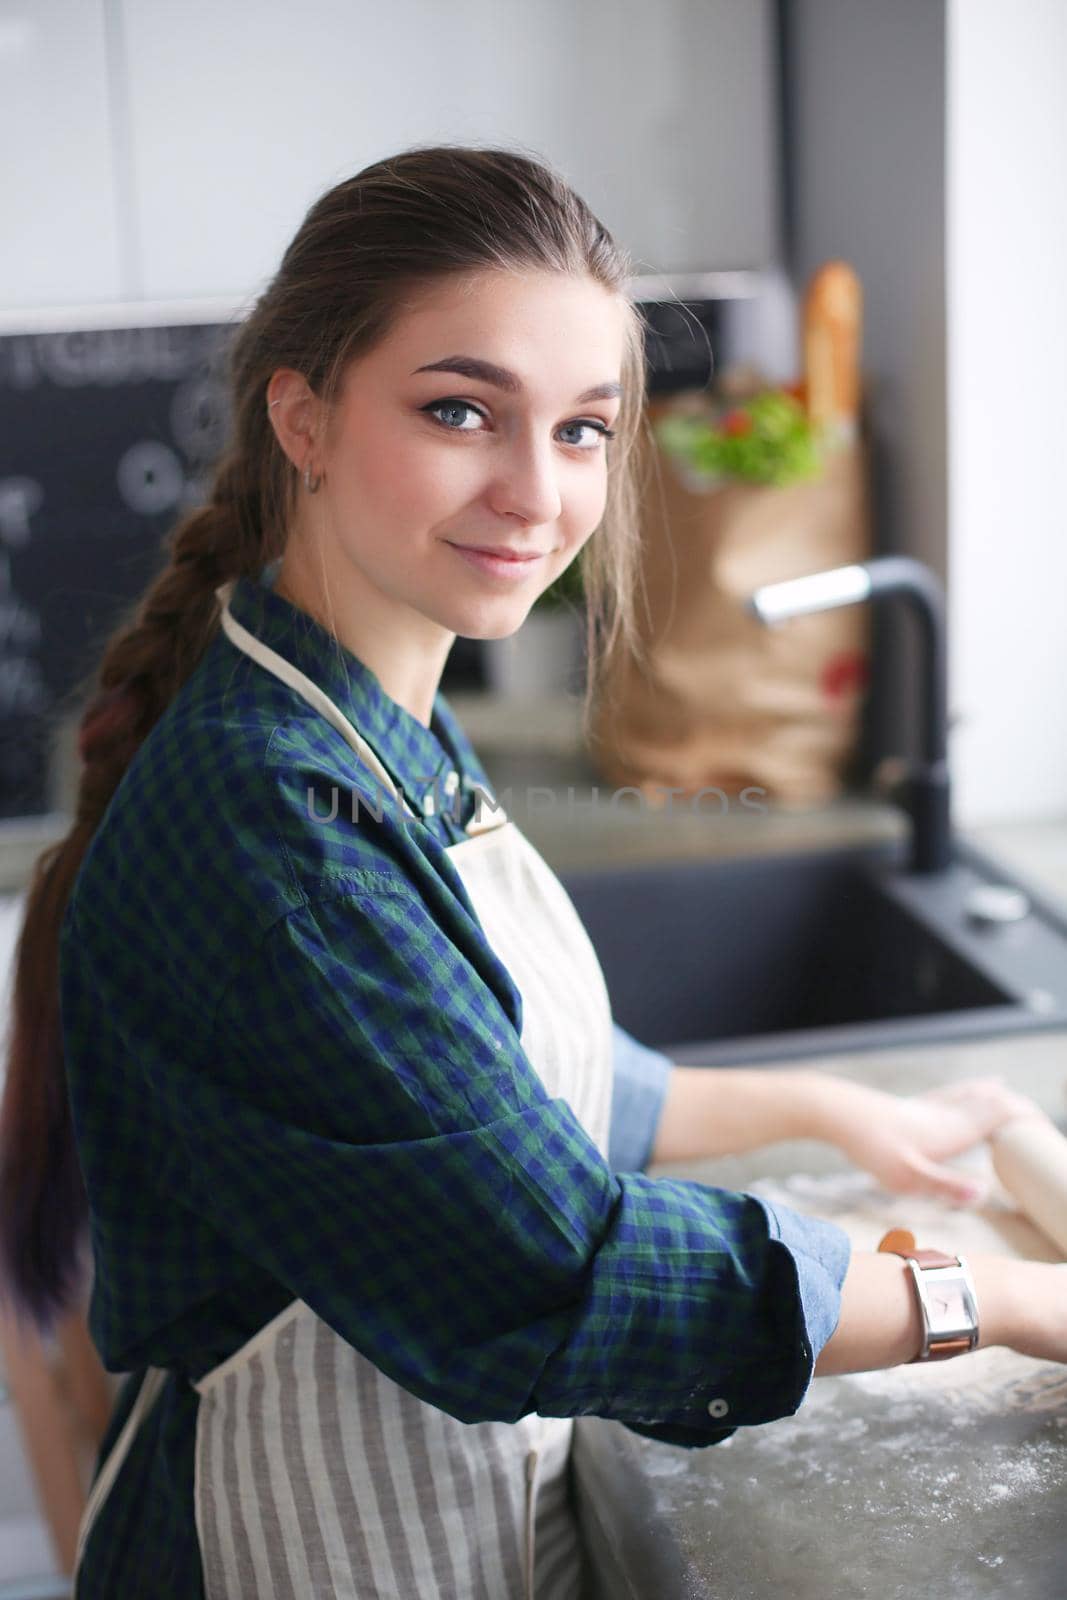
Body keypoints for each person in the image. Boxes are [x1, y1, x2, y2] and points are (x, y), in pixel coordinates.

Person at [0, 143, 1063, 1600]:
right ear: (301, 415)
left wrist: (848, 1113)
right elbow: (551, 1271)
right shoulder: (277, 835)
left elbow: (502, 1089)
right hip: (297, 1551)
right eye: (460, 411)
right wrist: (997, 1300)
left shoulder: (378, 719)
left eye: (582, 430)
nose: (534, 491)